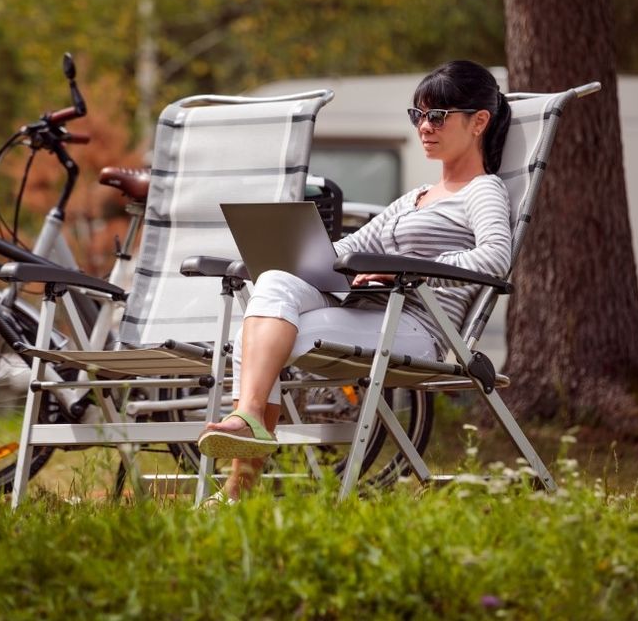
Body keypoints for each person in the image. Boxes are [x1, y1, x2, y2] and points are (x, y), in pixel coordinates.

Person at [196, 60, 514, 501]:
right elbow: (345, 251)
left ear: (479, 121)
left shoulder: (483, 190)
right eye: (418, 115)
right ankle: (248, 420)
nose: (425, 126)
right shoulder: (414, 199)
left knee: (260, 336)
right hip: (372, 314)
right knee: (273, 286)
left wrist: (408, 269)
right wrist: (301, 255)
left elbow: (497, 257)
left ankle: (236, 490)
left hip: (418, 328)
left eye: (437, 115)